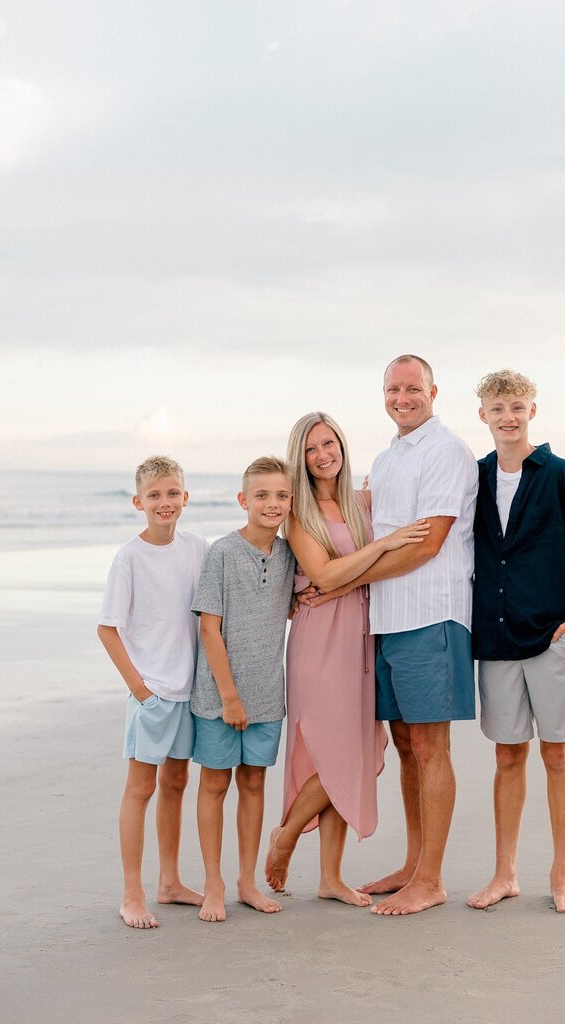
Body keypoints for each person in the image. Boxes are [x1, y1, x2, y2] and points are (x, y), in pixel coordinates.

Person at [308, 356, 478, 915]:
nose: (402, 398)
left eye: (412, 388)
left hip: (433, 615)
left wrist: (341, 582)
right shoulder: (384, 460)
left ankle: (431, 880)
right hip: (386, 620)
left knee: (430, 745)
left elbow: (427, 545)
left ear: (433, 390)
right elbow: (369, 532)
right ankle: (413, 864)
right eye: (393, 389)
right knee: (406, 745)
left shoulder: (446, 452)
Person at [264, 413, 430, 906]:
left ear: (341, 445)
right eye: (311, 448)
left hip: (362, 634)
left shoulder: (361, 502)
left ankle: (330, 878)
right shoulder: (298, 512)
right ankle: (287, 834)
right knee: (330, 749)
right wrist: (382, 546)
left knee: (349, 748)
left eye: (329, 443)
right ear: (301, 456)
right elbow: (326, 575)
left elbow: (348, 573)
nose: (322, 455)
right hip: (320, 639)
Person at [468, 370, 565, 914]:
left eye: (518, 406)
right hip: (498, 635)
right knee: (508, 757)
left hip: (555, 634)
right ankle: (505, 873)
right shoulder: (474, 476)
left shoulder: (561, 475)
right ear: (482, 415)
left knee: (558, 755)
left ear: (533, 411)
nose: (508, 416)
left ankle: (561, 874)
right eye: (498, 407)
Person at [98, 455, 208, 929]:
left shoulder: (199, 548)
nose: (165, 502)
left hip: (190, 690)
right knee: (140, 788)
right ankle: (131, 894)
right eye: (155, 495)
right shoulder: (130, 558)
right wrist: (140, 690)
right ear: (138, 501)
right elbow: (108, 629)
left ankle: (169, 881)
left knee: (177, 784)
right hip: (153, 693)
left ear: (186, 497)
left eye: (173, 493)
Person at [190, 456, 296, 922]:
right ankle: (213, 882)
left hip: (268, 693)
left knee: (254, 783)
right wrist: (229, 697)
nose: (272, 504)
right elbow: (208, 631)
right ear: (243, 500)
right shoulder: (222, 553)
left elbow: (298, 601)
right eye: (262, 495)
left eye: (281, 495)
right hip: (219, 696)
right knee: (215, 783)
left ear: (291, 501)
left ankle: (246, 881)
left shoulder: (291, 554)